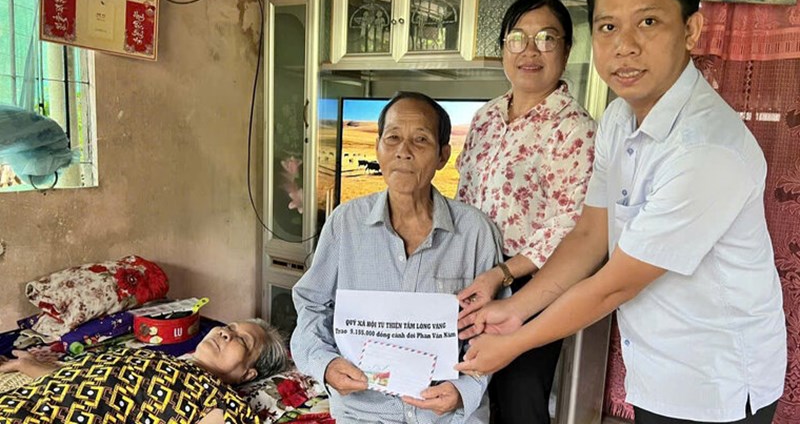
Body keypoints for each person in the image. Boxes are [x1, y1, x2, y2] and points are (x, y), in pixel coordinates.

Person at [456, 0, 786, 424]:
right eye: (609, 26)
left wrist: (513, 338)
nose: (625, 46)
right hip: (655, 368)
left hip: (717, 382)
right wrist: (513, 308)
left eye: (648, 22)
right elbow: (591, 234)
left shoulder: (706, 150)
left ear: (692, 28)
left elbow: (613, 286)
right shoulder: (618, 119)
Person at [291, 91, 503, 423]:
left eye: (420, 140)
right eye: (393, 138)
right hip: (363, 412)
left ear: (443, 155)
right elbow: (311, 304)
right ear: (378, 147)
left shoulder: (475, 231)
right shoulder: (344, 223)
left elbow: (494, 329)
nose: (403, 151)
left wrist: (465, 389)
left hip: (448, 417)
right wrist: (325, 364)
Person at [454, 0, 595, 424]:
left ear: (567, 51)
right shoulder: (485, 118)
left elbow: (569, 222)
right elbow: (464, 195)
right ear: (503, 49)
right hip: (474, 278)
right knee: (465, 393)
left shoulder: (575, 129)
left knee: (519, 403)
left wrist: (504, 273)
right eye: (518, 38)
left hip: (534, 286)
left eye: (546, 38)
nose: (530, 51)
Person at [0, 318, 289, 423]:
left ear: (248, 374)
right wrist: (34, 367)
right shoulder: (160, 359)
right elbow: (89, 386)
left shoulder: (224, 405)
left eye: (241, 340)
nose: (225, 333)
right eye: (229, 327)